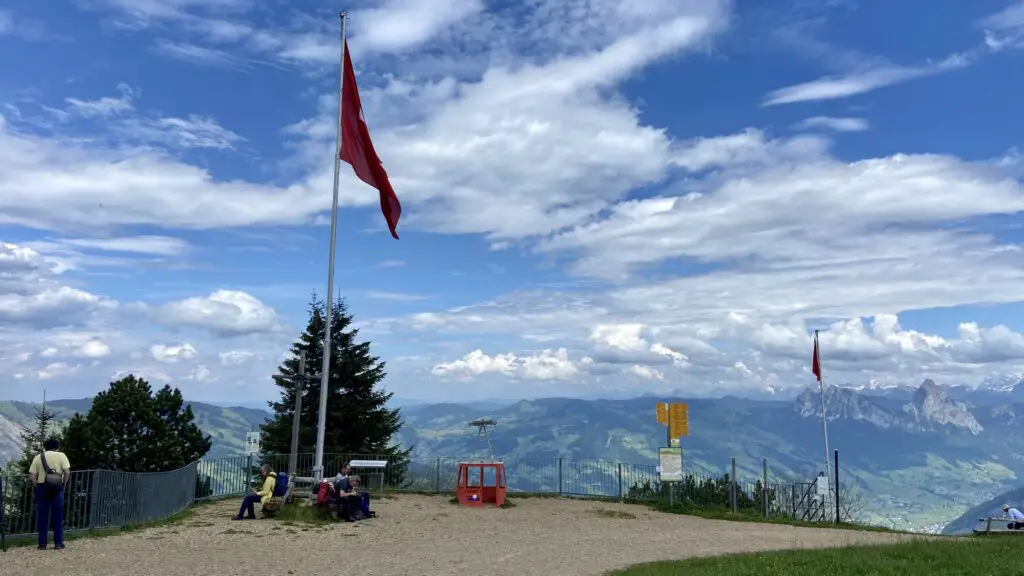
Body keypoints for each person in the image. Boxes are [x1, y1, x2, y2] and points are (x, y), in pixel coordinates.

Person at [27, 437, 70, 550]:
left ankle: (42, 544)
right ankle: (58, 543)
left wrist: (37, 485)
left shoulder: (38, 457)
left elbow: (32, 475)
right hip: (57, 487)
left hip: (42, 487)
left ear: (45, 447)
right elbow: (67, 472)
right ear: (57, 446)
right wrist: (63, 485)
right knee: (58, 516)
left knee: (43, 516)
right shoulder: (61, 456)